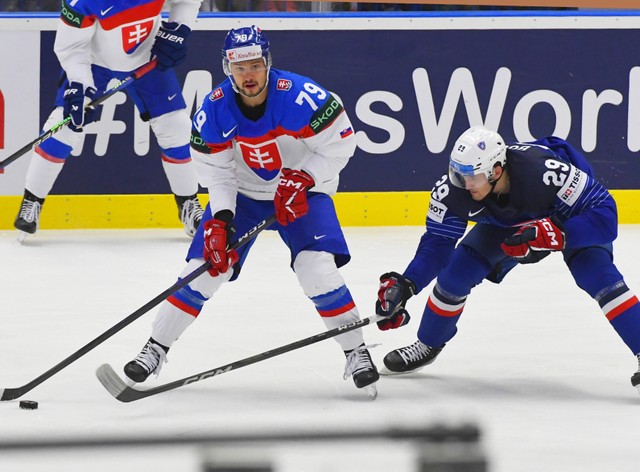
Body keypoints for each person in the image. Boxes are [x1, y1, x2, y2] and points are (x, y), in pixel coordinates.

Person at [123, 26, 380, 397]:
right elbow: (218, 172)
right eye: (239, 67)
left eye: (255, 65)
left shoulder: (300, 98)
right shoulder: (212, 110)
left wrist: (305, 178)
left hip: (303, 190)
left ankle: (356, 351)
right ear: (228, 68)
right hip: (243, 194)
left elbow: (342, 145)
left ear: (268, 63)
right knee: (203, 270)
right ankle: (155, 348)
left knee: (316, 269)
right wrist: (222, 219)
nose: (248, 75)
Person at [375, 126, 640, 393]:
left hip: (567, 216)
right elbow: (437, 246)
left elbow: (606, 216)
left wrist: (559, 232)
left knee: (598, 276)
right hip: (509, 221)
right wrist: (407, 283)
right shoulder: (453, 190)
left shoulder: (544, 171)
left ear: (497, 171)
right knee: (456, 274)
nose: (464, 185)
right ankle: (428, 343)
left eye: (472, 177)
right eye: (458, 174)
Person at [14, 0, 204, 239]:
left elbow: (188, 1)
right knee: (62, 127)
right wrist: (80, 84)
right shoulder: (81, 2)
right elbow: (71, 49)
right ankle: (32, 200)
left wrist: (179, 28)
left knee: (176, 126)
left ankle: (188, 203)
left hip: (148, 57)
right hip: (94, 63)